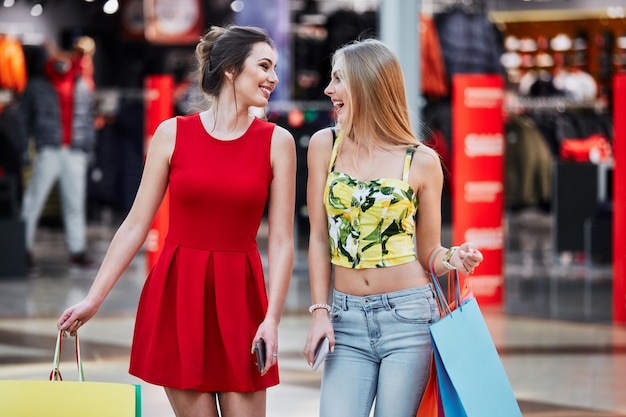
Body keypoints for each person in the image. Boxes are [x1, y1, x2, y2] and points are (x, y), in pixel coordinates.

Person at [57, 25, 296, 417]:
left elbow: (283, 241)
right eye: (265, 66)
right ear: (231, 70)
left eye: (274, 68)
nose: (273, 77)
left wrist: (271, 320)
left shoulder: (277, 141)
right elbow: (135, 224)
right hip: (179, 295)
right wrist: (93, 298)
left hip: (242, 300)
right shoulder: (172, 134)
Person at [303, 38, 484, 417]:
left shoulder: (421, 161)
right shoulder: (325, 145)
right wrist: (320, 310)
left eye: (338, 80)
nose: (328, 89)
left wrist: (454, 257)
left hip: (410, 319)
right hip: (345, 318)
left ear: (367, 86)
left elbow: (428, 252)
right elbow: (319, 238)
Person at [19, 36, 97, 269]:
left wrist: (89, 150)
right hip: (49, 149)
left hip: (75, 151)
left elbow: (88, 120)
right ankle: (23, 250)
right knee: (33, 201)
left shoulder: (82, 85)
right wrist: (24, 147)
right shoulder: (37, 86)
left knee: (75, 203)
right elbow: (23, 120)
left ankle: (77, 250)